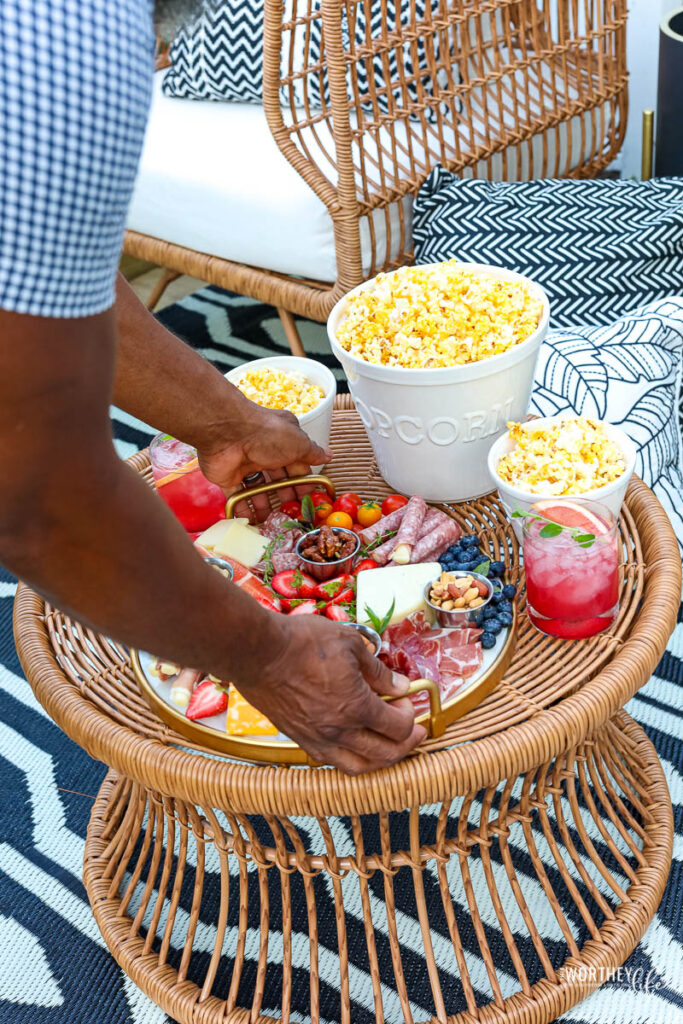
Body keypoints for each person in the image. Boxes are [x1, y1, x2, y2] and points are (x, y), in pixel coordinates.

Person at [0, 0, 426, 774]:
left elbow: (49, 280)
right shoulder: (59, 38)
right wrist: (269, 659)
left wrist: (226, 424)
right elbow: (37, 500)